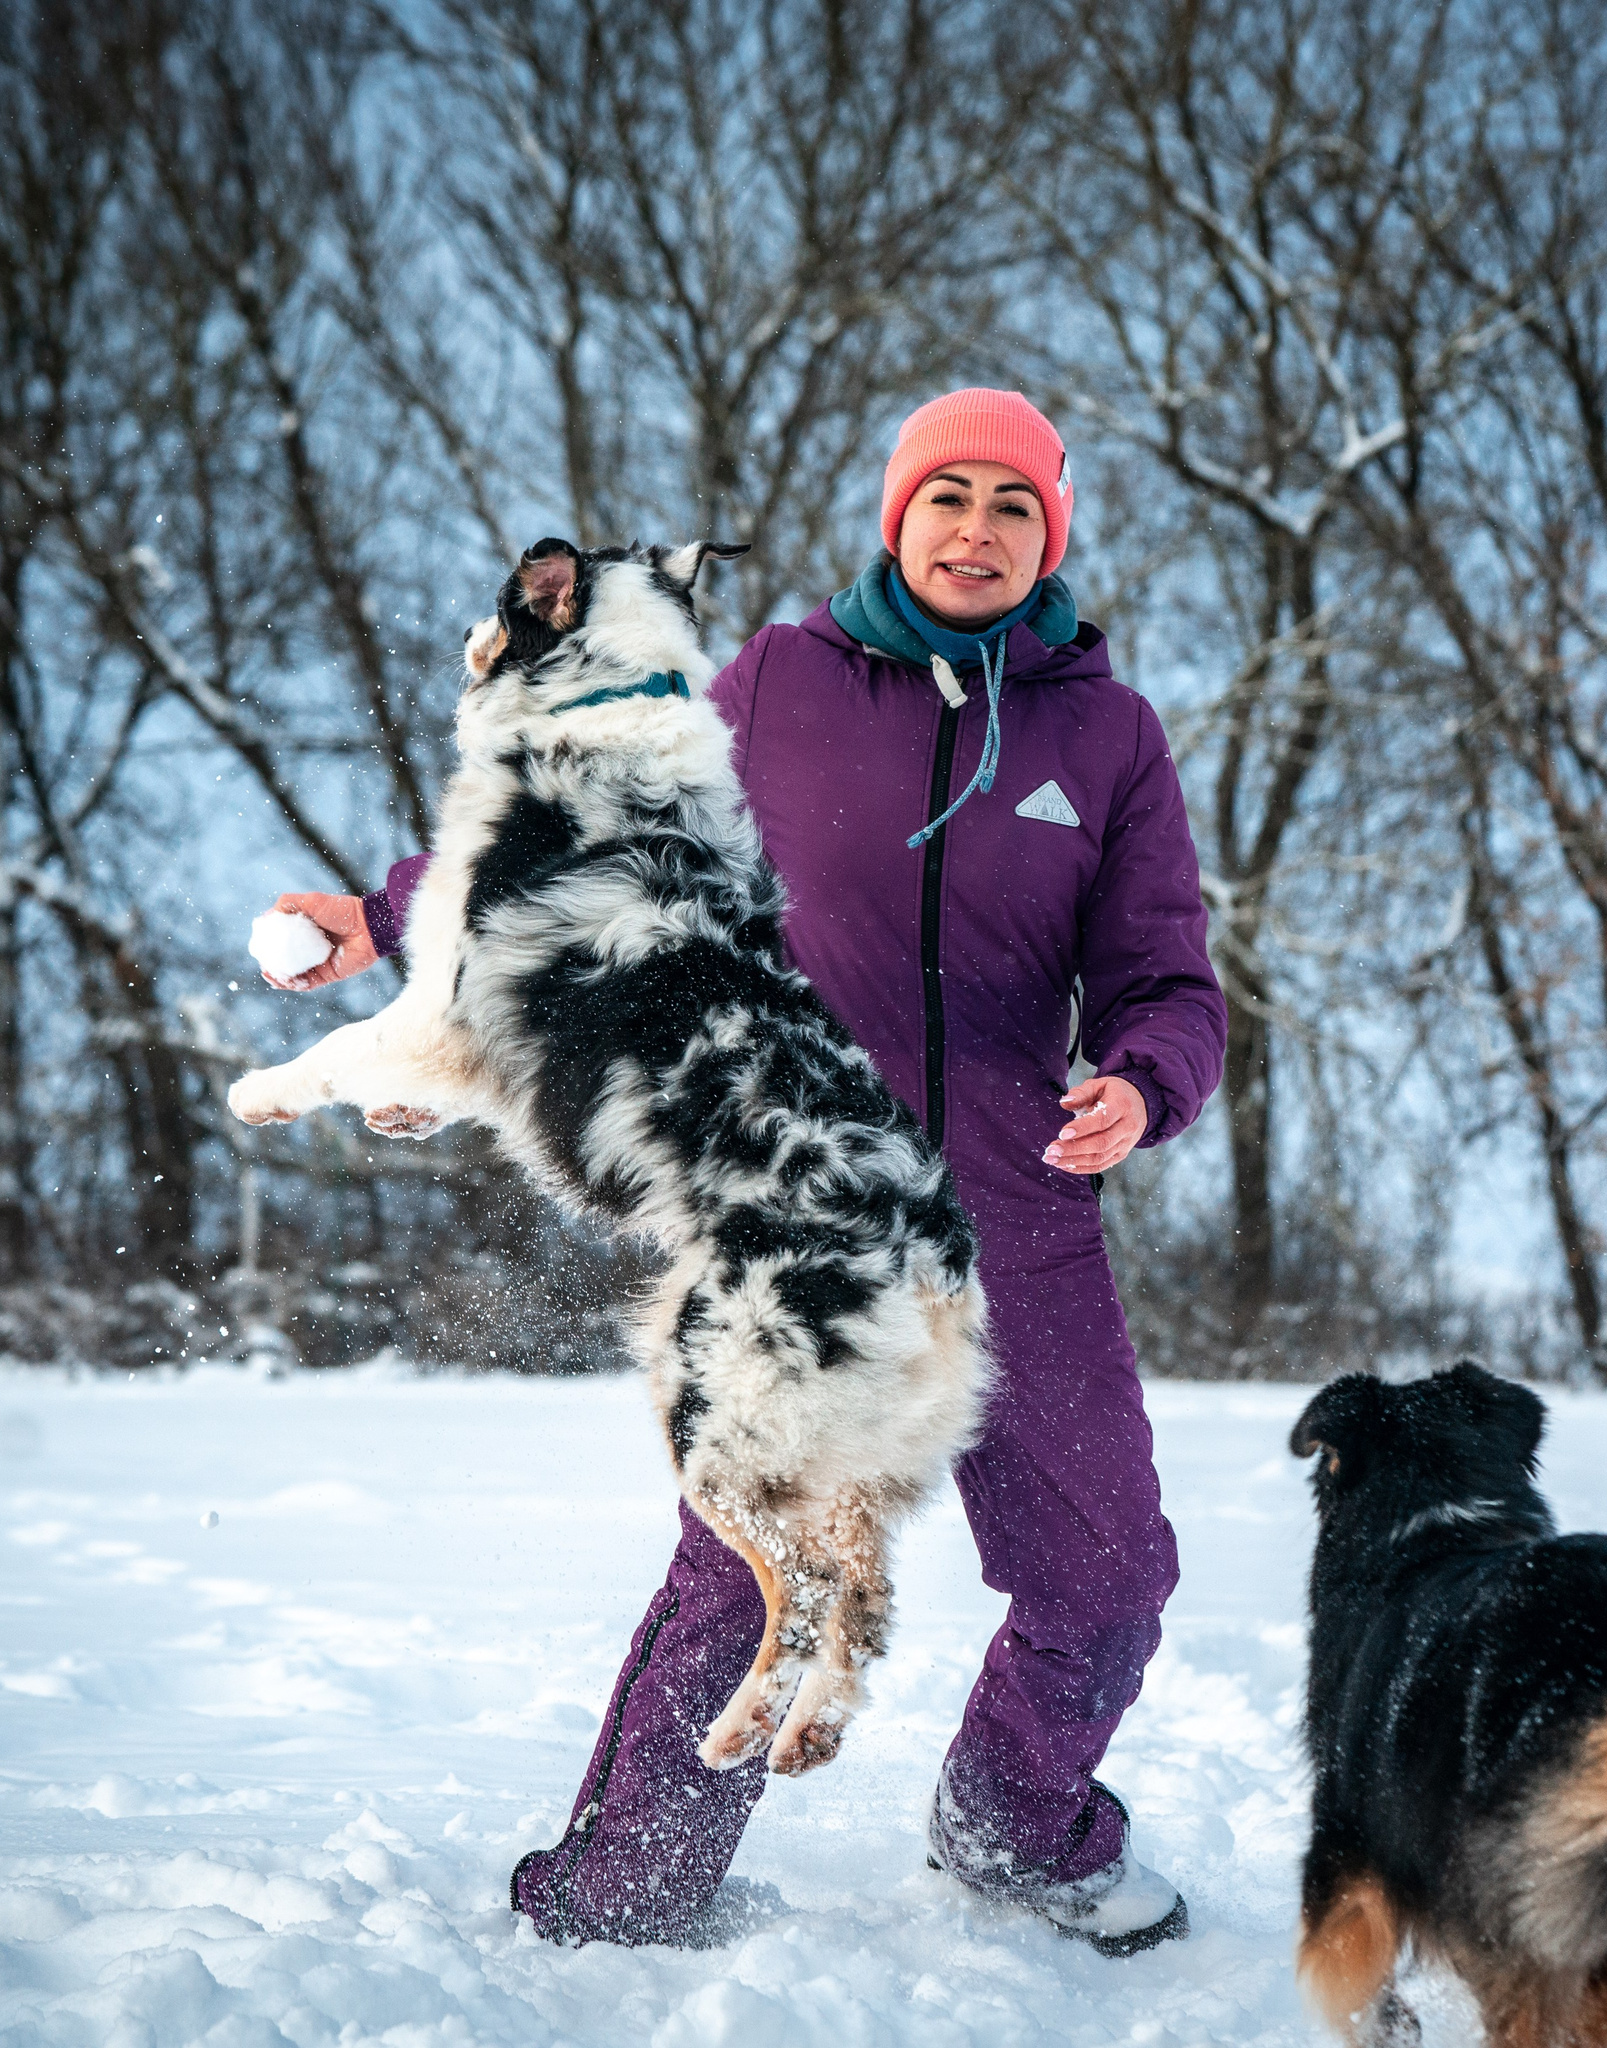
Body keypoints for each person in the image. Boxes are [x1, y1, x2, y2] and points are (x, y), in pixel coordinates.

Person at [260, 388, 1226, 1955]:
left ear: (1051, 533)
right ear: (896, 514)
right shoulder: (780, 681)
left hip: (1017, 1216)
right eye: (947, 496)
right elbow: (593, 823)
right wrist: (384, 915)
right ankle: (625, 1888)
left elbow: (1165, 979)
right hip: (797, 1205)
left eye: (1010, 505)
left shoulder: (1102, 735)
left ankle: (1015, 1824)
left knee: (1108, 1576)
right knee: (745, 1573)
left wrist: (1143, 1079)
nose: (974, 528)